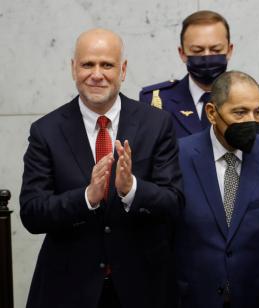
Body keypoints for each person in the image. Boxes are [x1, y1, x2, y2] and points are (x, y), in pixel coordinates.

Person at [19, 28, 183, 308]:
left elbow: (174, 202)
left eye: (107, 65)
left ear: (123, 69)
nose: (97, 74)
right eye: (87, 64)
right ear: (73, 68)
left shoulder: (157, 124)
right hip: (69, 289)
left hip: (142, 287)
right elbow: (32, 214)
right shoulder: (46, 131)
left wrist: (132, 189)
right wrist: (87, 197)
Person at [174, 70, 259, 308]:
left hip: (256, 298)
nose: (251, 120)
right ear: (211, 113)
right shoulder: (179, 155)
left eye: (257, 112)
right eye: (240, 112)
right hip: (194, 298)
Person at [139, 10, 259, 149]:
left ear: (229, 50)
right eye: (197, 50)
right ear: (182, 53)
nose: (207, 56)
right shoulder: (156, 101)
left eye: (216, 50)